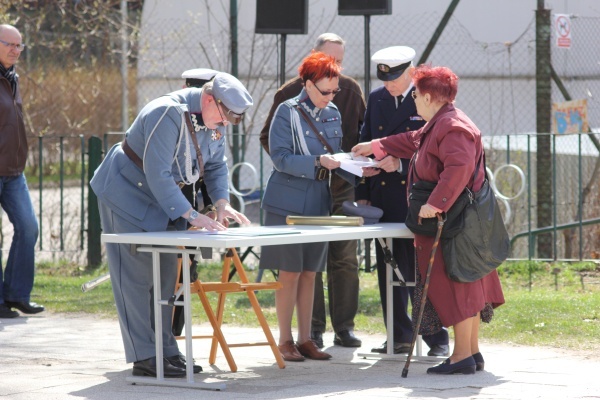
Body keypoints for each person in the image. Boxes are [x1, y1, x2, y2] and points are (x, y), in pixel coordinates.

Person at [90, 72, 252, 377]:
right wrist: (192, 215)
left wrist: (221, 202)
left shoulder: (213, 118)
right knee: (135, 277)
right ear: (208, 99)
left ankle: (166, 349)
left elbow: (216, 164)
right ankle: (144, 356)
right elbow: (158, 173)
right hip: (126, 192)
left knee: (164, 277)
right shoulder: (166, 113)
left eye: (235, 118)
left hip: (162, 198)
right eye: (226, 116)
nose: (227, 124)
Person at [352, 64, 505, 374]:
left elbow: (458, 167)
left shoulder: (452, 126)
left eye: (419, 97)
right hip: (458, 222)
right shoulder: (439, 122)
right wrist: (376, 146)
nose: (415, 102)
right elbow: (413, 140)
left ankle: (461, 356)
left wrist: (436, 203)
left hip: (456, 223)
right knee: (466, 286)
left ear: (432, 98)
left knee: (459, 286)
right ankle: (470, 353)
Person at [260, 33, 366, 349]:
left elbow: (357, 137)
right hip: (297, 192)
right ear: (313, 61)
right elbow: (274, 147)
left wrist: (360, 164)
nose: (332, 93)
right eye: (329, 61)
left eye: (340, 62)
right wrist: (312, 164)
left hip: (338, 189)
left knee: (339, 259)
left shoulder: (345, 93)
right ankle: (305, 334)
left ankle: (340, 328)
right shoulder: (288, 99)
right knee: (298, 269)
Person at [356, 46, 449, 356]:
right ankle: (398, 335)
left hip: (417, 197)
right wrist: (363, 193)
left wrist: (401, 165)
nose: (388, 84)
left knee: (424, 268)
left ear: (410, 73)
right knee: (390, 268)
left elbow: (435, 155)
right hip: (384, 197)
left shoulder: (426, 99)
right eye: (384, 78)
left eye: (394, 77)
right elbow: (369, 141)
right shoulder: (376, 98)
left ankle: (437, 338)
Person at [171, 67, 219, 337]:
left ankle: (175, 337)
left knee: (186, 270)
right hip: (168, 202)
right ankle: (161, 341)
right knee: (168, 272)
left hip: (191, 205)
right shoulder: (174, 115)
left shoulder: (212, 125)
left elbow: (211, 169)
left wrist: (212, 208)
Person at [0, 24, 44, 319]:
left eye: (20, 45)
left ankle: (17, 295)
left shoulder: (12, 78)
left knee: (28, 228)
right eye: (10, 44)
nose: (16, 50)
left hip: (14, 171)